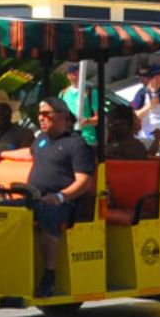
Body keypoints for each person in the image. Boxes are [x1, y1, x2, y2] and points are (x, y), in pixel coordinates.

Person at [26, 97, 95, 299]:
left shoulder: (76, 144)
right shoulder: (40, 140)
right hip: (34, 197)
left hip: (65, 203)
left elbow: (84, 182)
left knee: (47, 213)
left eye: (46, 114)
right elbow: (28, 153)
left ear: (62, 116)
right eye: (39, 114)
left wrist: (59, 197)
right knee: (3, 210)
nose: (41, 118)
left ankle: (49, 275)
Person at [131, 66, 160, 148]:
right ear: (155, 77)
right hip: (145, 139)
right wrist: (149, 106)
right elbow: (134, 116)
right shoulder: (142, 93)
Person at [60, 61, 100, 148]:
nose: (76, 73)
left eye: (78, 71)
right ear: (68, 75)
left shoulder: (91, 91)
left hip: (88, 139)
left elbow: (98, 118)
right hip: (69, 140)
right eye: (73, 71)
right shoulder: (63, 94)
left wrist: (85, 121)